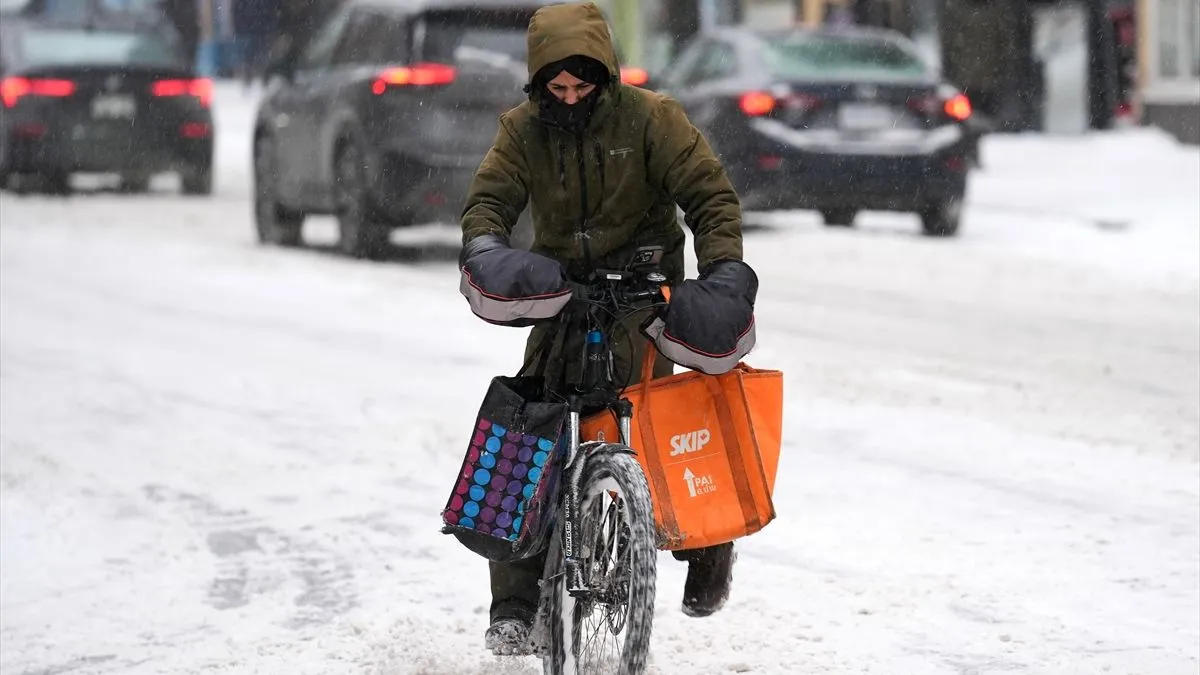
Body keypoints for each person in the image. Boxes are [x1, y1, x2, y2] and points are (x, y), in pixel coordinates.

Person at [456, 0, 759, 656]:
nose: (569, 98)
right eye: (555, 88)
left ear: (606, 74)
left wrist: (723, 270)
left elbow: (710, 196)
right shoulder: (521, 130)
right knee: (526, 428)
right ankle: (512, 600)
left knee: (665, 431)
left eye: (582, 85)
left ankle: (709, 545)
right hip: (561, 298)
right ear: (537, 84)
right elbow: (489, 201)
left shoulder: (653, 119)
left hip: (643, 299)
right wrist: (489, 247)